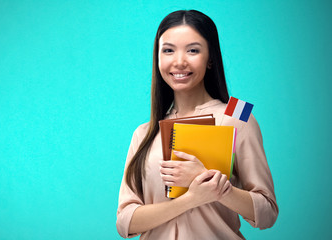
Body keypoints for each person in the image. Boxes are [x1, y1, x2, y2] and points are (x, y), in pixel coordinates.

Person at [116, 10, 278, 240]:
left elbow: (268, 212)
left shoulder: (238, 114)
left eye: (193, 50)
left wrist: (215, 186)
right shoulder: (144, 132)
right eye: (168, 50)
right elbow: (124, 222)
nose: (179, 61)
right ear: (158, 58)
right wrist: (191, 199)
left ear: (210, 57)